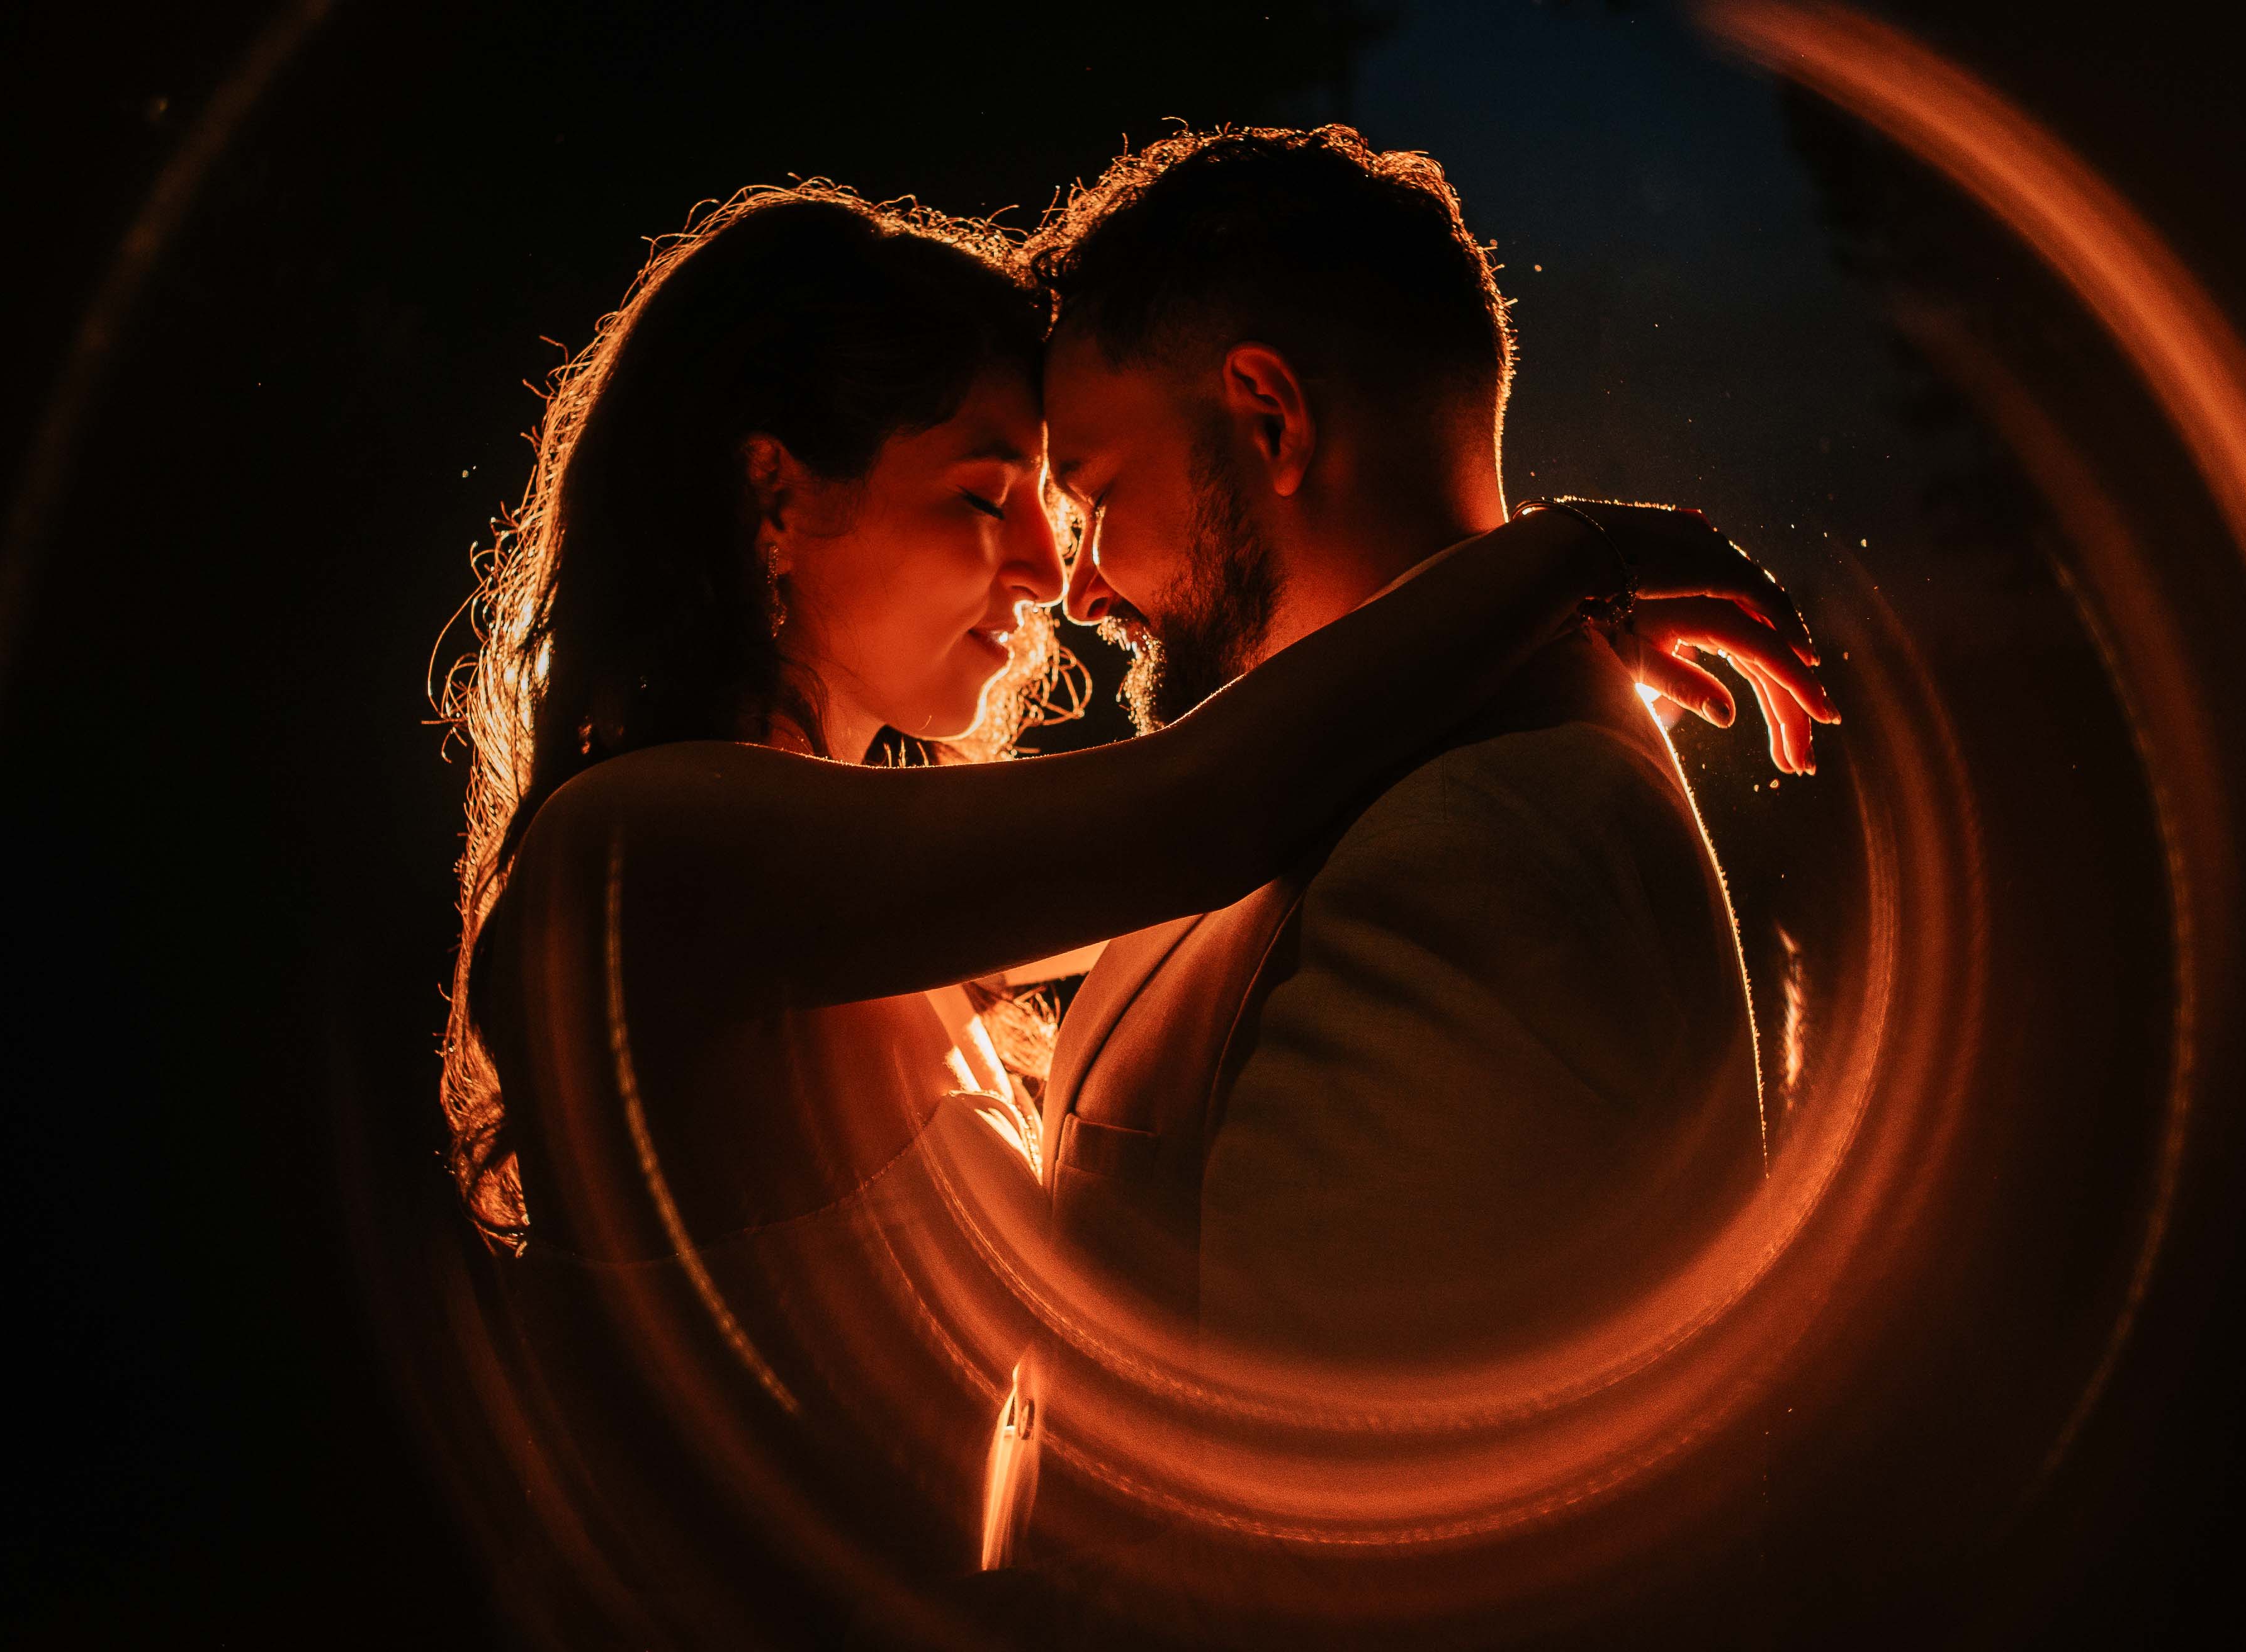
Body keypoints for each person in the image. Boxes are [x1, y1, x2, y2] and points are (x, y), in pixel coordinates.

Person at [436, 181, 1830, 1647]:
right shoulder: (637, 849)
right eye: (990, 501)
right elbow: (1193, 812)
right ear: (776, 497)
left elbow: (1244, 845)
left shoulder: (860, 908)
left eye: (1060, 504)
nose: (1049, 575)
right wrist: (1566, 558)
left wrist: (1530, 635)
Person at [1004, 125, 1829, 1637]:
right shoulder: (1333, 780)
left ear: (1269, 419)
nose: (1074, 581)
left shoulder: (1479, 844)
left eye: (1090, 492)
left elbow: (1353, 1570)